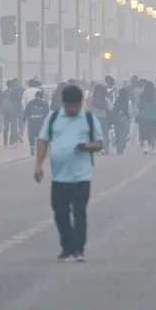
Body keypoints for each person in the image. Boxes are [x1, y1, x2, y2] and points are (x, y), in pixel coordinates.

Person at [34, 84, 104, 262]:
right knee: (60, 212)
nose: (74, 109)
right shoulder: (53, 118)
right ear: (63, 103)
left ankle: (78, 248)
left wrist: (87, 147)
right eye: (70, 106)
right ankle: (67, 247)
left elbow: (99, 143)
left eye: (77, 106)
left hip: (82, 176)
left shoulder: (88, 119)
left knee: (79, 211)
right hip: (59, 176)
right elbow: (43, 141)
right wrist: (38, 165)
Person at [135, 80, 156, 154]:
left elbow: (138, 106)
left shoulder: (142, 97)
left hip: (144, 117)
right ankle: (154, 149)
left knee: (144, 133)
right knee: (153, 133)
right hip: (154, 117)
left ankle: (145, 148)